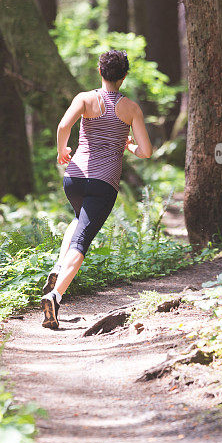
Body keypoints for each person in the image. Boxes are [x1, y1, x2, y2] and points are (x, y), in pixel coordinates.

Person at [41, 49, 153, 329]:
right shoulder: (131, 109)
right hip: (104, 184)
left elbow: (63, 125)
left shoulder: (85, 99)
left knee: (79, 220)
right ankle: (55, 296)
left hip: (75, 178)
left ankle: (57, 267)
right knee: (82, 242)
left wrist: (61, 151)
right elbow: (146, 151)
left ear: (100, 72)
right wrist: (128, 145)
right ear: (124, 76)